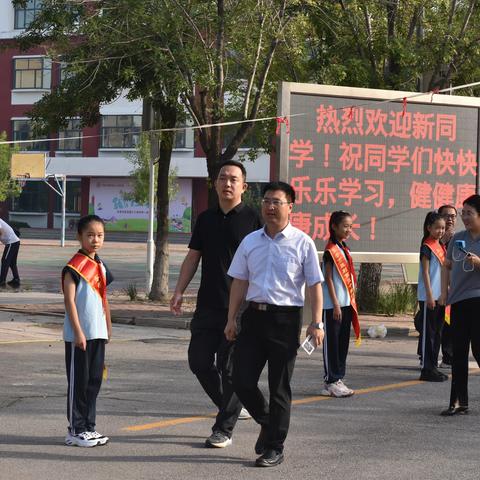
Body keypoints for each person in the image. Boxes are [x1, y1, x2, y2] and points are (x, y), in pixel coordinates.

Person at [225, 181, 324, 468]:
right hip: (253, 317)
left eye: (276, 202)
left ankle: (274, 447)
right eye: (266, 200)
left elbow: (314, 285)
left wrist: (316, 323)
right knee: (240, 380)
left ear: (290, 206)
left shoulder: (302, 242)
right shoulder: (250, 241)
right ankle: (268, 422)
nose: (269, 206)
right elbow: (239, 282)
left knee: (279, 386)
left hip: (285, 319)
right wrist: (231, 318)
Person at [170, 160, 261, 448]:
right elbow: (193, 257)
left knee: (230, 368)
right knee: (198, 361)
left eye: (234, 179)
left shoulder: (253, 220)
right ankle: (231, 404)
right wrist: (179, 290)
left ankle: (224, 428)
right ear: (216, 184)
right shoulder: (205, 218)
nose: (227, 183)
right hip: (208, 304)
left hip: (241, 306)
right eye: (223, 178)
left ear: (244, 187)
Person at [63, 215, 113, 447]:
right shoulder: (73, 268)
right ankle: (75, 429)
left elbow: (104, 300)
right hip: (79, 336)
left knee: (94, 382)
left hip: (98, 333)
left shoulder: (101, 266)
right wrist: (78, 332)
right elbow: (70, 302)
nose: (95, 240)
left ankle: (89, 427)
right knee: (79, 383)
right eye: (90, 235)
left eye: (100, 235)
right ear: (80, 237)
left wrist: (108, 328)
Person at [439, 195, 480, 416]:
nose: (464, 217)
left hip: (478, 301)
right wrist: (444, 292)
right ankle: (458, 401)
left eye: (469, 213)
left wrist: (478, 262)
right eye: (463, 213)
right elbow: (447, 266)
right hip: (459, 301)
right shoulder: (457, 239)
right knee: (459, 352)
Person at [320, 211, 361, 397]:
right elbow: (328, 278)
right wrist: (336, 304)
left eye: (351, 227)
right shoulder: (331, 250)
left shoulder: (344, 248)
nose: (348, 230)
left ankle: (338, 378)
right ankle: (330, 380)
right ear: (334, 226)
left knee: (343, 342)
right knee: (332, 343)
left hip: (345, 304)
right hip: (333, 305)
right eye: (345, 226)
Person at [415, 212, 448, 382]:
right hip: (429, 296)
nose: (441, 231)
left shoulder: (441, 246)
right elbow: (426, 273)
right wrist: (429, 295)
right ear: (429, 228)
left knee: (438, 333)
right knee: (429, 334)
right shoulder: (427, 247)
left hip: (440, 296)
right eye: (437, 228)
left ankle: (433, 366)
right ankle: (426, 368)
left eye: (443, 228)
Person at [438, 204, 458, 368]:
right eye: (446, 216)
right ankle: (427, 358)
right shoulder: (433, 239)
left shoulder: (460, 238)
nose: (450, 219)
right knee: (436, 326)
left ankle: (448, 357)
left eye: (453, 216)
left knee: (450, 324)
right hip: (436, 289)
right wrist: (442, 241)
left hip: (455, 289)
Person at [0, 218, 21, 288]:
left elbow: (1, 232)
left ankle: (2, 281)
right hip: (14, 241)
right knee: (12, 263)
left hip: (11, 242)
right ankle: (16, 279)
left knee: (5, 261)